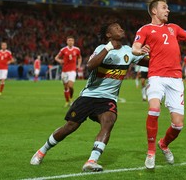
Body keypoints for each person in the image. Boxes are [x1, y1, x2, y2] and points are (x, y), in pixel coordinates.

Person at [30, 22, 149, 172]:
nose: (121, 29)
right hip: (89, 95)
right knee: (70, 127)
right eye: (116, 27)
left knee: (109, 121)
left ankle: (92, 161)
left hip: (108, 98)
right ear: (108, 34)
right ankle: (42, 151)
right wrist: (108, 47)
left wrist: (149, 52)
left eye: (121, 27)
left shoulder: (129, 51)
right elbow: (90, 65)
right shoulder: (101, 48)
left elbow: (150, 63)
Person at [132, 0, 186, 169]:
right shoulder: (146, 29)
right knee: (153, 109)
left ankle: (164, 144)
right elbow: (135, 47)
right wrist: (141, 50)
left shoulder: (173, 28)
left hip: (175, 79)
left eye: (168, 8)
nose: (168, 10)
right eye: (164, 8)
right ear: (154, 11)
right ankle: (151, 152)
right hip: (156, 76)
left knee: (178, 125)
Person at [55, 36, 82, 107]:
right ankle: (67, 101)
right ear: (67, 41)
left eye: (72, 40)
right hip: (64, 71)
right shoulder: (63, 50)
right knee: (65, 87)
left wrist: (78, 65)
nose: (70, 42)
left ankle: (71, 98)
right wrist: (60, 60)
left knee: (70, 86)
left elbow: (79, 58)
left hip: (72, 71)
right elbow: (56, 57)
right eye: (69, 40)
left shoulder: (77, 49)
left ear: (73, 42)